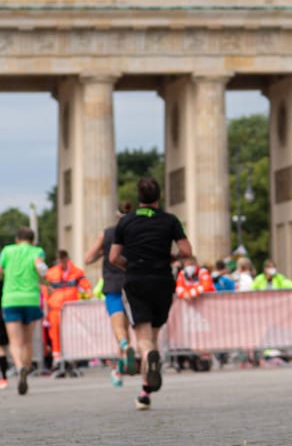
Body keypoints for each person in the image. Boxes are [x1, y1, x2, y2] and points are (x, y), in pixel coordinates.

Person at [109, 176, 190, 411]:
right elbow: (187, 250)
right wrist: (171, 258)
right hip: (163, 280)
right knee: (153, 335)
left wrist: (131, 266)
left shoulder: (126, 222)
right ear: (159, 197)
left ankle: (149, 359)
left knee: (143, 339)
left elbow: (114, 257)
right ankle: (145, 392)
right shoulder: (170, 220)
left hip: (137, 280)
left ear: (139, 198)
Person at [84, 201, 138, 387]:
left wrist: (103, 252)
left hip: (113, 283)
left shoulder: (107, 233)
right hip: (133, 283)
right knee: (128, 326)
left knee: (118, 327)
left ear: (116, 216)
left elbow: (88, 258)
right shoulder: (136, 232)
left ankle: (123, 348)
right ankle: (120, 366)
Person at [0, 226, 47, 395]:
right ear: (32, 240)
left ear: (17, 239)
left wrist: (7, 275)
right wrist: (44, 279)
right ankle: (27, 369)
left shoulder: (7, 251)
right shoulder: (37, 251)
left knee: (15, 341)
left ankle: (19, 366)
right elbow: (41, 269)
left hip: (11, 299)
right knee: (28, 341)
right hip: (31, 299)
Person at [43, 248, 90, 376]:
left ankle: (71, 360)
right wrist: (46, 309)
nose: (62, 262)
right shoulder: (51, 273)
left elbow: (86, 286)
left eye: (63, 260)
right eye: (60, 260)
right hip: (56, 309)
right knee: (55, 335)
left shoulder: (77, 272)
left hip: (71, 310)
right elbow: (45, 290)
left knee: (72, 335)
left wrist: (89, 295)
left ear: (67, 259)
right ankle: (58, 361)